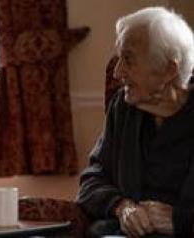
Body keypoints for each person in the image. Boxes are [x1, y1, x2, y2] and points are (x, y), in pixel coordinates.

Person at [76, 7, 194, 238]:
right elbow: (91, 181)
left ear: (169, 70)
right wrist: (123, 207)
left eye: (128, 60)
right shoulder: (123, 108)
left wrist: (179, 220)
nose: (117, 73)